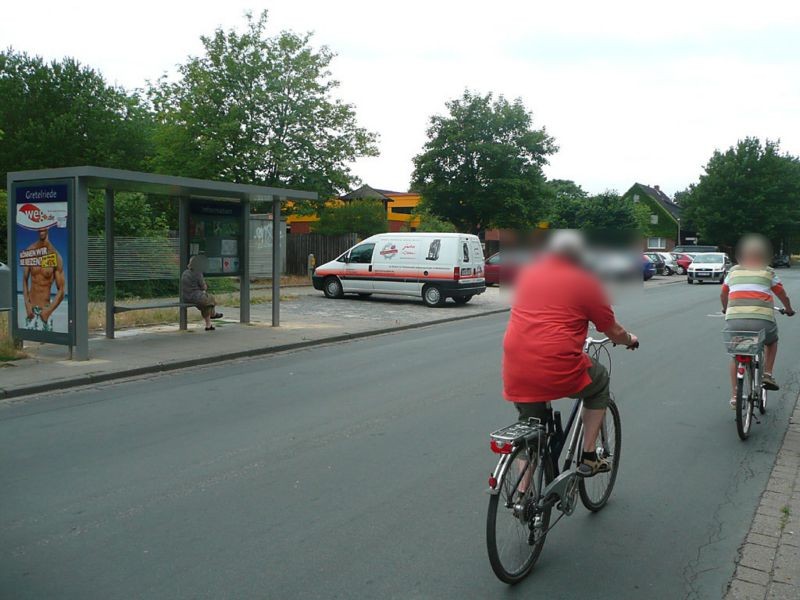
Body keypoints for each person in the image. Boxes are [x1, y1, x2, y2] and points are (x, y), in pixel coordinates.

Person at [502, 231, 638, 477]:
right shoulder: (585, 281)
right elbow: (612, 330)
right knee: (599, 381)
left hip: (517, 365)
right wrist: (630, 340)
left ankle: (524, 495)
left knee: (530, 428)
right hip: (557, 364)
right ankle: (589, 456)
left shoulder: (528, 274)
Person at [721, 235, 794, 406]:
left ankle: (734, 396)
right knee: (772, 342)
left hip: (735, 320)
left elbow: (723, 294)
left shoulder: (733, 271)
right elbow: (781, 294)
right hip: (762, 320)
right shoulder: (768, 271)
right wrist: (788, 309)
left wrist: (726, 309)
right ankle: (767, 374)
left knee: (736, 355)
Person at [21, 227, 65, 331]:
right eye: (39, 230)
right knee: (30, 341)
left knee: (48, 345)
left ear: (48, 230)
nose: (41, 232)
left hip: (45, 310)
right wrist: (27, 305)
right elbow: (25, 280)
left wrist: (48, 311)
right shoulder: (30, 251)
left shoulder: (55, 256)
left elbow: (62, 290)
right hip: (31, 309)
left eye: (43, 229)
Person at [181, 256, 223, 331]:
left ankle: (208, 326)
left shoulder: (185, 273)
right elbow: (204, 287)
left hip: (186, 297)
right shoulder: (198, 273)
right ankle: (213, 314)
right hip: (196, 298)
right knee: (211, 298)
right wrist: (204, 286)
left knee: (206, 306)